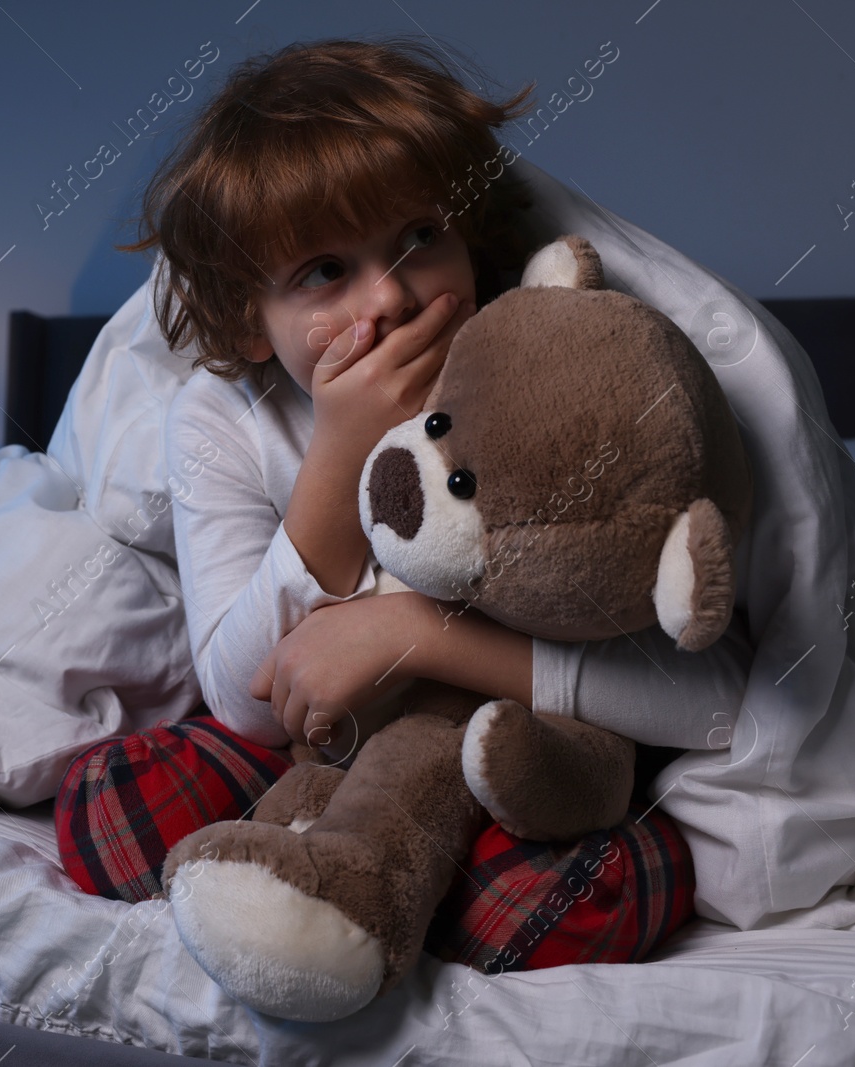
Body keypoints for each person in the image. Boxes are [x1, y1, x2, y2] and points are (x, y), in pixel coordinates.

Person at [55, 36, 755, 973]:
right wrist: (340, 447)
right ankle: (357, 865)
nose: (386, 296)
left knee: (597, 893)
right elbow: (241, 700)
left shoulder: (535, 367)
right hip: (319, 750)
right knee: (115, 813)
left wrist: (405, 633)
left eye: (419, 236)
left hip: (519, 755)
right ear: (243, 321)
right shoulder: (223, 416)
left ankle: (377, 883)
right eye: (321, 272)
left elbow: (718, 704)